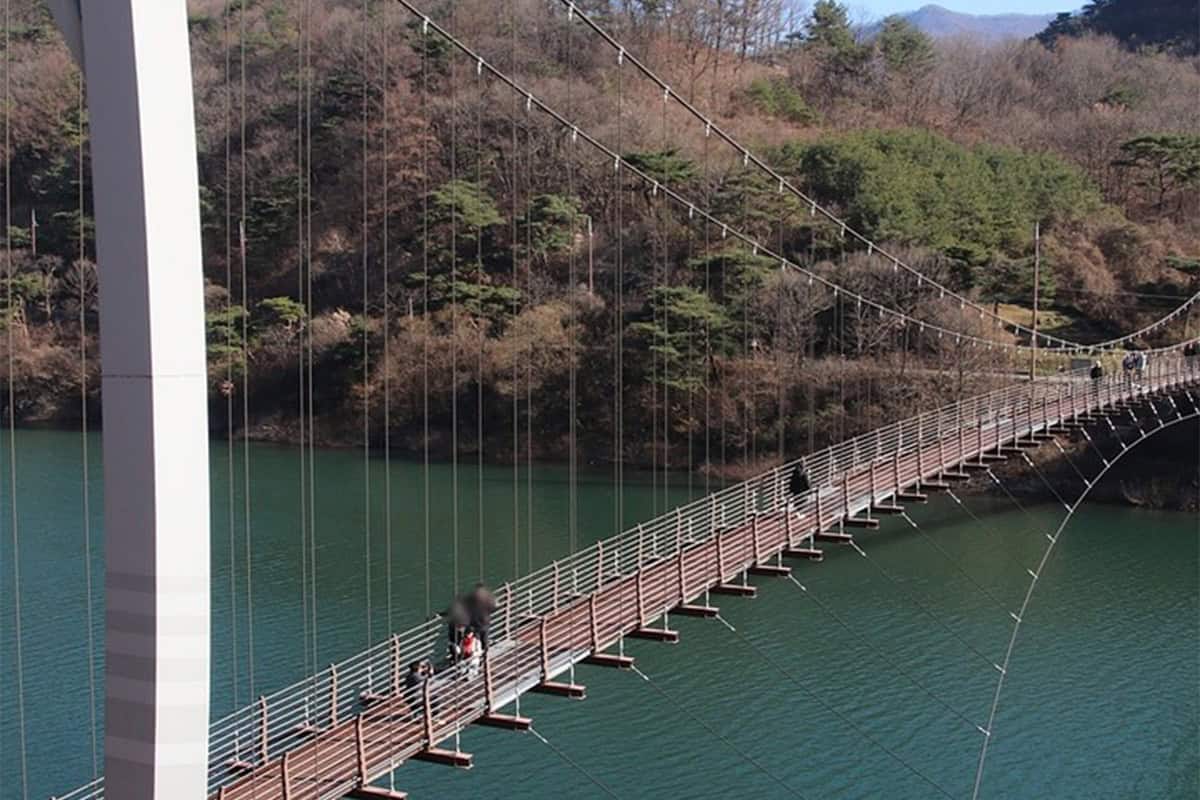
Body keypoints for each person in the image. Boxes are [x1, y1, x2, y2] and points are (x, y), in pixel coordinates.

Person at [465, 583, 496, 651]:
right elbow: (493, 607)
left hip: (474, 621)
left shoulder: (471, 596)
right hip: (485, 620)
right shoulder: (488, 596)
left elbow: (465, 606)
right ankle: (485, 654)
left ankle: (477, 655)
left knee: (476, 640)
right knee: (485, 638)